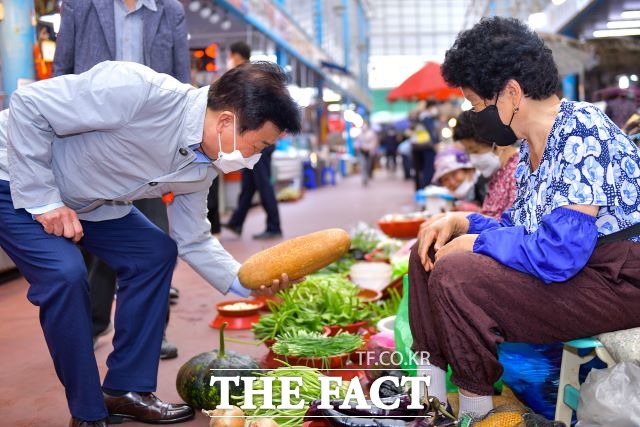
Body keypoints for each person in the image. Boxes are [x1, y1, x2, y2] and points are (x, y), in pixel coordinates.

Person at [0, 61, 301, 426]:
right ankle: (87, 411)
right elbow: (29, 104)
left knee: (154, 253)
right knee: (64, 274)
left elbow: (194, 239)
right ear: (225, 122)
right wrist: (44, 199)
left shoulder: (205, 163)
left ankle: (125, 389)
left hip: (88, 202)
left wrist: (251, 283)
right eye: (258, 145)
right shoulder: (138, 90)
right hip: (17, 180)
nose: (253, 160)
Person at [407, 17, 640, 422]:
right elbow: (523, 235)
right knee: (428, 249)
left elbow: (558, 253)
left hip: (617, 281)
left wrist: (476, 244)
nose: (476, 115)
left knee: (458, 273)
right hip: (579, 272)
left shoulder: (581, 130)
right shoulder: (532, 152)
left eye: (477, 104)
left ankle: (476, 413)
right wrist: (464, 224)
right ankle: (431, 399)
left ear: (512, 93)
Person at [53, 0, 191, 358]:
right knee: (97, 243)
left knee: (156, 242)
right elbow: (62, 70)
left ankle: (153, 333)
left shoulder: (170, 11)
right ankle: (95, 325)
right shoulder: (80, 6)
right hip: (90, 144)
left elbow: (182, 81)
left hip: (149, 149)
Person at [222, 41, 283, 240]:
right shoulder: (256, 74)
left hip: (258, 141)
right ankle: (236, 222)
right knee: (249, 184)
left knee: (263, 183)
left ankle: (274, 226)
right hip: (259, 139)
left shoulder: (246, 76)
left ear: (236, 55)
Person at [453, 110, 519, 219]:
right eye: (469, 152)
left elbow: (513, 224)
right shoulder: (498, 174)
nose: (473, 159)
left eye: (475, 150)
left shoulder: (517, 173)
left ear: (496, 142)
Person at [431, 146, 485, 211]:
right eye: (445, 179)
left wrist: (478, 211)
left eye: (454, 174)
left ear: (468, 170)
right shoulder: (456, 198)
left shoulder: (486, 186)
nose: (452, 182)